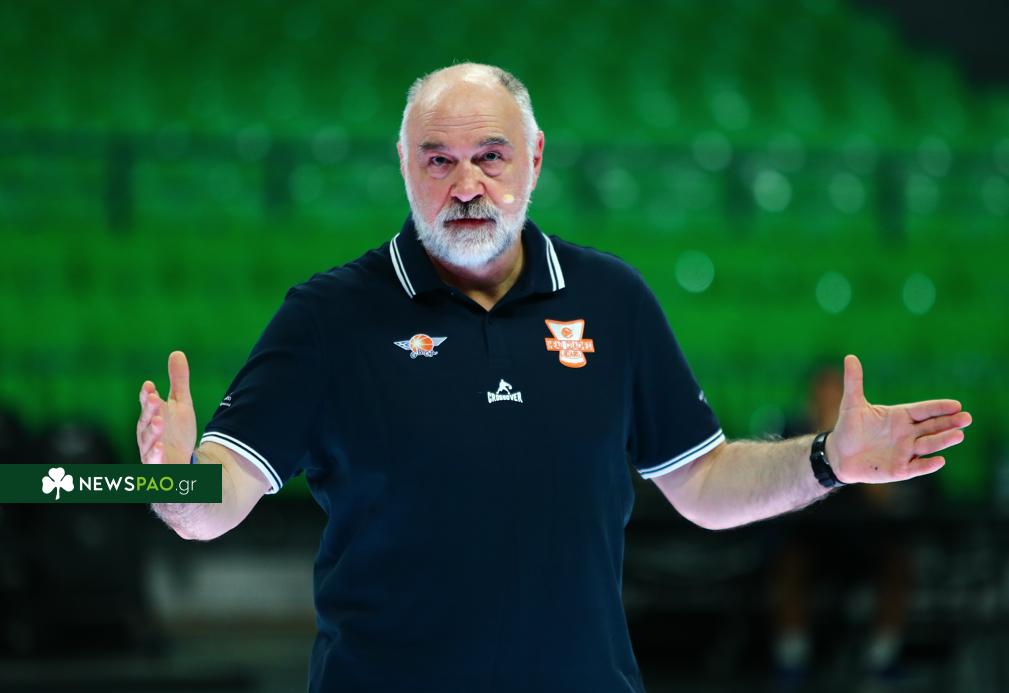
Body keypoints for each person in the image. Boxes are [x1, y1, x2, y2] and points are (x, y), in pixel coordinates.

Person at [136, 63, 972, 692]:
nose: (467, 184)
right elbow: (215, 500)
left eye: (490, 156)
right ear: (402, 166)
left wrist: (826, 459)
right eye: (438, 160)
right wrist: (171, 477)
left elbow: (705, 481)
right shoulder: (329, 316)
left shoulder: (613, 299)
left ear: (534, 159)